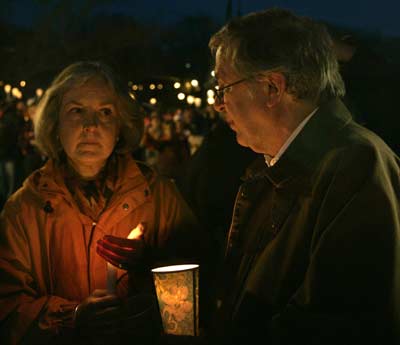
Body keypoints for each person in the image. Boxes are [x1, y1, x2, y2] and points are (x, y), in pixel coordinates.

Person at [206, 8, 400, 345]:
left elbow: (342, 321)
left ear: (272, 88)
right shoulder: (279, 169)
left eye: (224, 87)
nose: (218, 104)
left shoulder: (356, 165)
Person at [0, 61, 206, 345]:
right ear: (55, 123)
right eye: (76, 111)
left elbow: (199, 285)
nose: (90, 126)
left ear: (120, 126)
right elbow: (7, 310)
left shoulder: (159, 196)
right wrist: (70, 318)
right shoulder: (23, 211)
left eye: (105, 112)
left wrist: (149, 270)